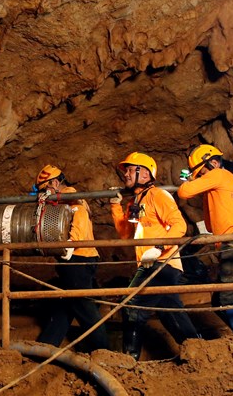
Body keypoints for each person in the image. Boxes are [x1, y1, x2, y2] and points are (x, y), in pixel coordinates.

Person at [111, 152, 200, 359]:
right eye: (125, 170)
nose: (126, 174)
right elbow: (125, 234)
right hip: (153, 262)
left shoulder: (157, 195)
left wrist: (159, 248)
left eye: (131, 169)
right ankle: (199, 351)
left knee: (132, 303)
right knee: (169, 311)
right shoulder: (136, 201)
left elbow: (180, 225)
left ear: (144, 174)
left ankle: (128, 360)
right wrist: (115, 206)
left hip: (162, 262)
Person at [177, 145, 233, 341]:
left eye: (201, 172)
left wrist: (192, 180)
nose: (200, 177)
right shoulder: (226, 180)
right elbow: (209, 224)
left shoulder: (218, 174)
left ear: (214, 162)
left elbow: (183, 192)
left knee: (231, 298)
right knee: (224, 298)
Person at [33, 165, 110, 351]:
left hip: (78, 259)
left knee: (84, 307)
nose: (43, 194)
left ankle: (103, 351)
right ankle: (47, 344)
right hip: (77, 259)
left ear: (55, 182)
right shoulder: (62, 200)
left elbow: (80, 222)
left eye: (45, 189)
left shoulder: (71, 197)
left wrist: (70, 243)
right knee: (66, 303)